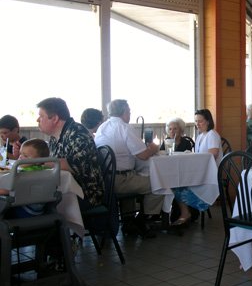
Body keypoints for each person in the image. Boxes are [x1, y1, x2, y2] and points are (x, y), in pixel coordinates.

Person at [94, 99, 162, 238]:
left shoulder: (102, 127)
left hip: (104, 179)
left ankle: (129, 223)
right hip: (121, 180)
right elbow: (143, 155)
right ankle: (142, 220)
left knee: (133, 176)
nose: (130, 114)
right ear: (124, 112)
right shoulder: (124, 128)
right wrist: (154, 148)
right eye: (129, 111)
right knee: (159, 185)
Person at [37, 97, 104, 211]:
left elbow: (76, 165)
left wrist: (39, 162)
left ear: (55, 118)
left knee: (37, 204)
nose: (38, 120)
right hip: (65, 189)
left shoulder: (77, 133)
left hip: (86, 194)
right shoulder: (55, 136)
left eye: (41, 116)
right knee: (31, 199)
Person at [171, 109, 222, 227]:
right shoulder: (200, 136)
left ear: (208, 122)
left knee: (178, 185)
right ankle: (186, 213)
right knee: (175, 181)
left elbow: (212, 155)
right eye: (196, 121)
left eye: (200, 121)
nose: (197, 124)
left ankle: (186, 213)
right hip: (201, 172)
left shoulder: (212, 135)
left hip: (210, 174)